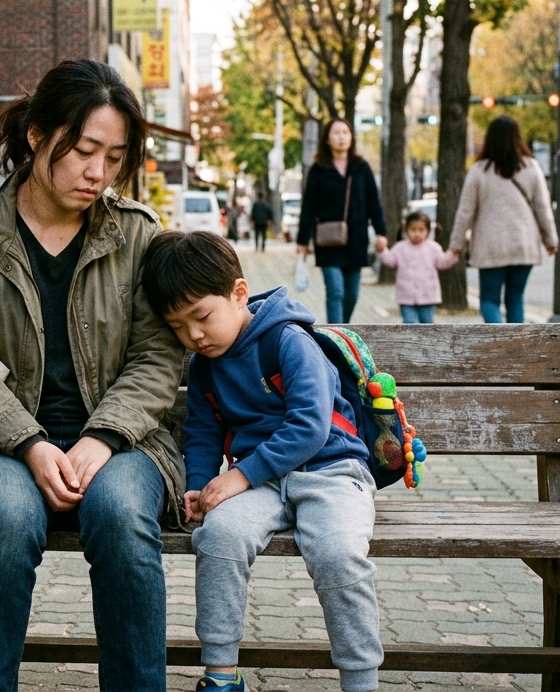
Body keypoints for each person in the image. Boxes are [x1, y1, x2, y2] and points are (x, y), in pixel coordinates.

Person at [0, 59, 187, 691]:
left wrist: (104, 436)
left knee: (122, 514)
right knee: (9, 518)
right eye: (84, 151)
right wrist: (31, 443)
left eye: (114, 158)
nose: (98, 173)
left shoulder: (137, 234)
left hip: (123, 444)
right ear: (37, 135)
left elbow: (157, 358)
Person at [141, 231, 383, 692]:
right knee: (219, 537)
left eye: (201, 317)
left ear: (238, 294)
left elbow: (310, 427)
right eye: (177, 326)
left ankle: (360, 680)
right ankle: (220, 674)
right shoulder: (205, 365)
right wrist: (198, 484)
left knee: (337, 555)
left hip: (332, 471)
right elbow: (202, 430)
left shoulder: (289, 340)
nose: (193, 335)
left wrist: (239, 475)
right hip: (262, 485)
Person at [448, 115, 558, 324]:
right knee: (515, 300)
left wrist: (456, 245)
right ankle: (515, 344)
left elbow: (465, 212)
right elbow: (543, 208)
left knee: (489, 300)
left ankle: (500, 341)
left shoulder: (479, 170)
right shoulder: (531, 166)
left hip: (489, 245)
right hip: (523, 243)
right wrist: (551, 240)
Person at [297, 119, 388, 323]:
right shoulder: (318, 170)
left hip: (356, 240)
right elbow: (308, 207)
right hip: (328, 241)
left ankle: (342, 329)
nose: (341, 137)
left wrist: (381, 232)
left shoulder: (361, 168)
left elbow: (374, 202)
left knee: (351, 295)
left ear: (351, 137)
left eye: (345, 132)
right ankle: (336, 337)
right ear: (327, 139)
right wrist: (302, 241)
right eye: (336, 133)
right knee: (336, 291)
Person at [375, 211, 458, 324]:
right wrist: (382, 251)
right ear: (406, 230)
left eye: (421, 230)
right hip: (406, 296)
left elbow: (442, 262)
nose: (417, 233)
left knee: (427, 323)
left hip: (428, 296)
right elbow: (390, 260)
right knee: (409, 322)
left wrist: (453, 254)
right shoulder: (400, 248)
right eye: (413, 230)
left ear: (428, 231)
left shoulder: (433, 248)